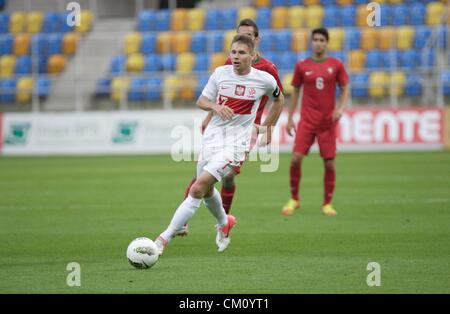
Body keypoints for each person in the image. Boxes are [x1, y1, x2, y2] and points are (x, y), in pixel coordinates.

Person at [154, 34, 284, 255]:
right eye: (233, 52)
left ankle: (161, 240)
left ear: (252, 56)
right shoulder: (220, 74)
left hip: (236, 144)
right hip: (213, 138)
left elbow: (279, 99)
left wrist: (267, 127)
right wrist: (215, 107)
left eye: (241, 52)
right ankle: (225, 222)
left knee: (197, 187)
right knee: (205, 191)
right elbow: (201, 101)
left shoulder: (264, 79)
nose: (236, 56)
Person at [282, 27, 349, 217]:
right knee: (295, 159)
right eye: (315, 39)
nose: (318, 43)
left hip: (327, 122)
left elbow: (345, 88)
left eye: (322, 40)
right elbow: (295, 92)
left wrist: (340, 108)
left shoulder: (336, 64)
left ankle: (327, 203)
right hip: (307, 121)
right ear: (312, 42)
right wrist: (289, 118)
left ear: (327, 43)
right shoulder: (302, 65)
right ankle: (294, 199)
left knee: (329, 163)